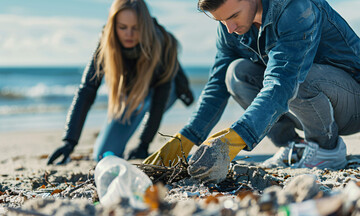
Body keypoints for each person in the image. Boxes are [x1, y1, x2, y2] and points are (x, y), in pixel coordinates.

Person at [143, 0, 360, 184]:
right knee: (235, 74)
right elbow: (216, 86)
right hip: (305, 101)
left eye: (234, 16)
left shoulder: (297, 9)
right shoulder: (230, 27)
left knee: (297, 76)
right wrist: (185, 139)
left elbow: (282, 81)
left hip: (352, 104)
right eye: (221, 21)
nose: (229, 27)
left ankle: (326, 151)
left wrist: (237, 137)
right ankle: (295, 147)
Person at [47, 0, 194, 164]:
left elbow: (159, 101)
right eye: (122, 27)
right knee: (103, 155)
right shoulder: (106, 41)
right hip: (134, 95)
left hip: (166, 92)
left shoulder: (163, 42)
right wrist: (69, 141)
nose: (129, 34)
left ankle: (142, 132)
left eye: (135, 28)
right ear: (113, 26)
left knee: (145, 100)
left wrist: (143, 144)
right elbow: (87, 89)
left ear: (145, 26)